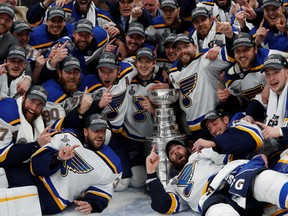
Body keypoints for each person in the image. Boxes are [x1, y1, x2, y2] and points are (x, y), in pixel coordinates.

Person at [1, 114, 122, 215]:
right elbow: (36, 165)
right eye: (96, 131)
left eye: (102, 131)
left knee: (6, 206)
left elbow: (103, 188)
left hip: (50, 198)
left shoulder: (113, 164)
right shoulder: (66, 135)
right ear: (85, 131)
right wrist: (57, 158)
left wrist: (93, 204)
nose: (100, 135)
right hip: (27, 174)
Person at [146, 140, 288, 215]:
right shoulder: (174, 184)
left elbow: (234, 153)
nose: (175, 151)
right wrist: (151, 173)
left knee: (263, 181)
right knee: (218, 212)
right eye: (171, 153)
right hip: (211, 198)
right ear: (171, 162)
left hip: (230, 177)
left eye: (178, 147)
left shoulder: (200, 154)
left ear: (188, 149)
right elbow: (162, 205)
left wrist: (253, 158)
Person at [168, 33, 230, 141]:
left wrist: (219, 48)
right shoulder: (173, 73)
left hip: (213, 122)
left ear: (195, 47)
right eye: (179, 49)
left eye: (186, 46)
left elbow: (232, 55)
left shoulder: (205, 60)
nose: (183, 51)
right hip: (192, 128)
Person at [193, 109, 264, 160]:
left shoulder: (240, 123)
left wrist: (213, 143)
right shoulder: (219, 148)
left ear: (226, 120)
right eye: (209, 129)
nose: (213, 130)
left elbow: (250, 140)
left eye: (215, 124)